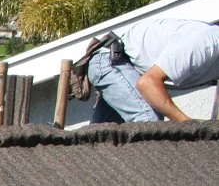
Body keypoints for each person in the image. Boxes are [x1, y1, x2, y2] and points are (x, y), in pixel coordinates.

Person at [88, 18, 219, 123]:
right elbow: (147, 83)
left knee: (99, 143)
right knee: (150, 121)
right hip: (112, 60)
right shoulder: (205, 44)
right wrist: (188, 124)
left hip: (131, 68)